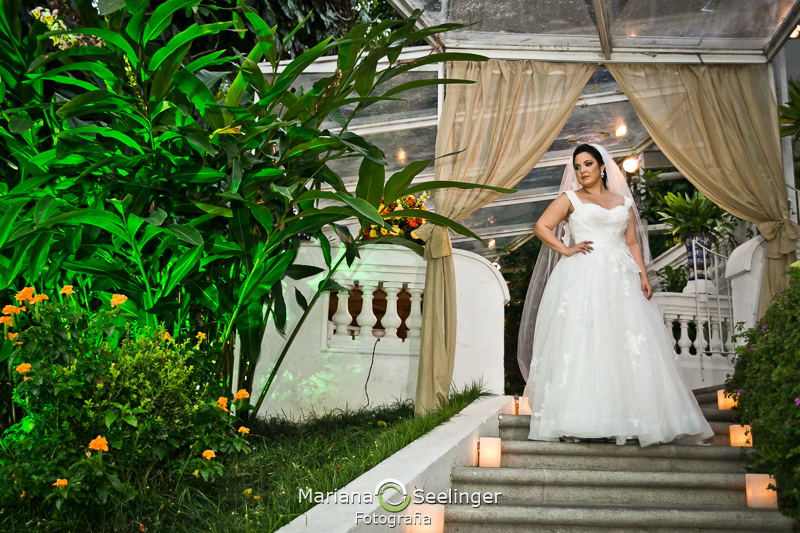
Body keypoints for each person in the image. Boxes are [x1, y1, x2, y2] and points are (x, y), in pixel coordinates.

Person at [517, 144, 713, 447]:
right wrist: (567, 249)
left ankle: (632, 418)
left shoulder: (623, 201)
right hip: (582, 276)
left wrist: (643, 274)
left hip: (621, 278)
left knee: (625, 344)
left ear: (602, 167)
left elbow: (632, 241)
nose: (583, 171)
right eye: (578, 166)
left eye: (588, 164)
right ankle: (579, 419)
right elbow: (542, 226)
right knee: (584, 342)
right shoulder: (570, 198)